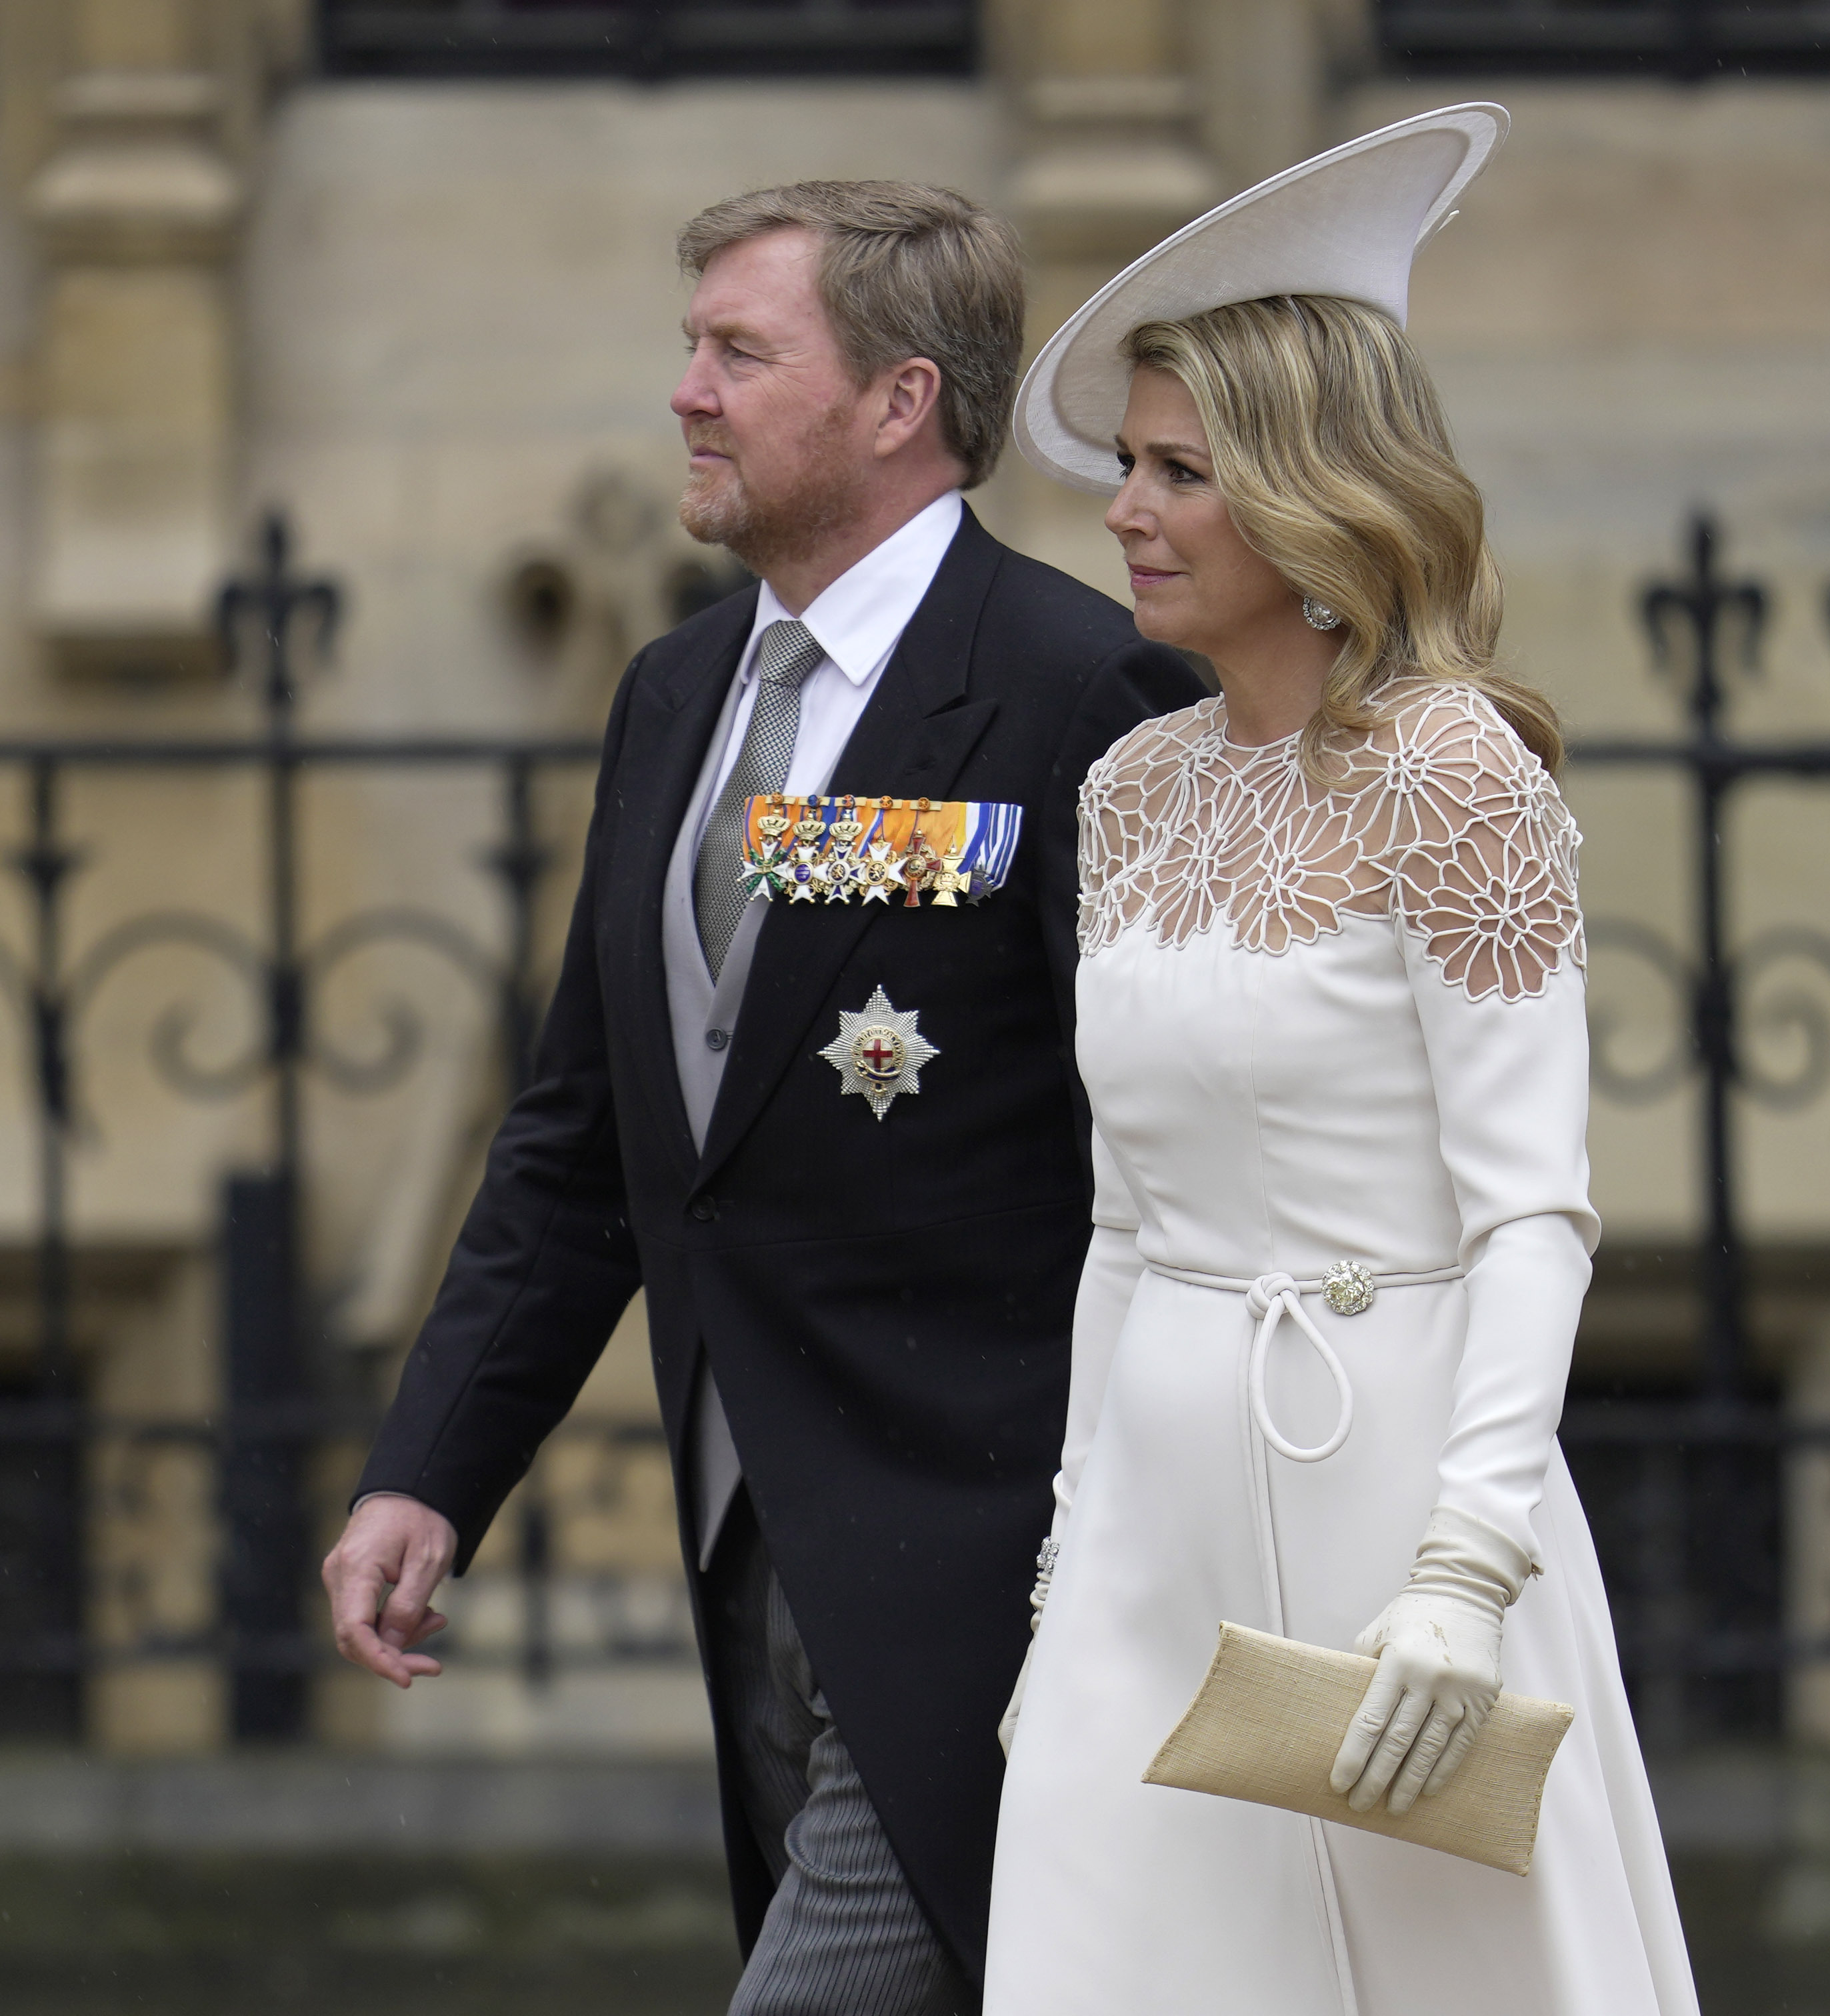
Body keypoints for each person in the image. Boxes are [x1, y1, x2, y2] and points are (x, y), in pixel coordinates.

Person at [320, 181, 1199, 2013]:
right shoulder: (675, 691)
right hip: (751, 1538)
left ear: (896, 403)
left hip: (991, 1564)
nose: (687, 396)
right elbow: (589, 1144)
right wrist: (431, 1474)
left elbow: (1169, 1150)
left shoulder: (1074, 684)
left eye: (738, 351)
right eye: (690, 349)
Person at [985, 107, 1700, 2015]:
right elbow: (1121, 1228)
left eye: (1178, 473)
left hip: (1406, 1487)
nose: (1124, 511)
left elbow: (1533, 1211)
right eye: (1128, 466)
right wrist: (1068, 1581)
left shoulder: (1458, 774)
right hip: (1153, 1516)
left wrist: (1468, 1571)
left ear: (1310, 497)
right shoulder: (1134, 785)